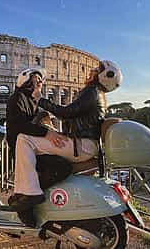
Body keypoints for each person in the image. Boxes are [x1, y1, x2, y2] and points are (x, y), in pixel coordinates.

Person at [13, 60, 122, 220]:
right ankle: (32, 193)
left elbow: (66, 112)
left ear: (103, 76)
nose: (91, 71)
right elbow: (69, 114)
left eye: (96, 70)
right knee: (33, 141)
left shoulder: (91, 91)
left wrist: (40, 99)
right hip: (84, 144)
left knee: (23, 139)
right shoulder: (97, 93)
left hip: (81, 145)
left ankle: (29, 195)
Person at [6, 66, 68, 225]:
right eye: (36, 78)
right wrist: (48, 134)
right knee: (62, 167)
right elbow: (21, 126)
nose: (40, 81)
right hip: (23, 150)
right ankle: (24, 203)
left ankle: (23, 198)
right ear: (26, 81)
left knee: (63, 166)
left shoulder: (31, 100)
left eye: (41, 79)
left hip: (32, 148)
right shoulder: (17, 98)